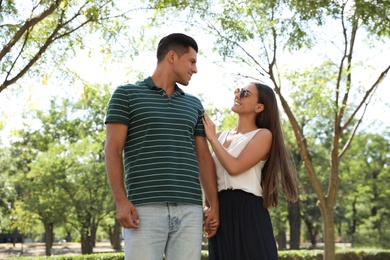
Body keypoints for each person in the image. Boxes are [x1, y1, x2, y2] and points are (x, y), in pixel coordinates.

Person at [104, 33, 219, 260]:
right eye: (192, 61)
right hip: (144, 209)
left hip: (190, 209)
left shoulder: (193, 104)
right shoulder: (126, 95)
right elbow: (112, 150)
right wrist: (120, 201)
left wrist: (213, 204)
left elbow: (204, 157)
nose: (195, 69)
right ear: (172, 56)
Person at [202, 82, 299, 260]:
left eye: (245, 93)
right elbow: (207, 175)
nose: (237, 95)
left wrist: (211, 139)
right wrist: (208, 206)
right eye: (238, 90)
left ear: (259, 107)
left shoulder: (263, 135)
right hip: (221, 209)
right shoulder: (220, 135)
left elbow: (234, 167)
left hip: (248, 211)